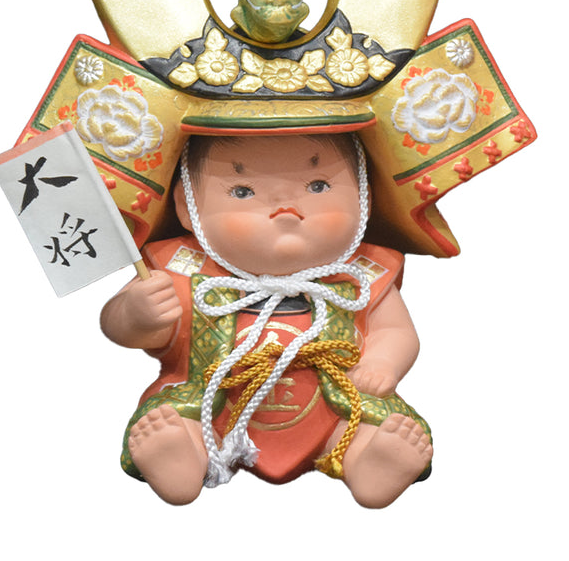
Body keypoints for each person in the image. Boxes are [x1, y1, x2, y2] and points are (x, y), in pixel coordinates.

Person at [100, 133, 433, 507]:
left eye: (318, 186)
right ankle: (184, 453)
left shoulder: (361, 275)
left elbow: (394, 331)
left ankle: (368, 459)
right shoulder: (183, 270)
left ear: (365, 200)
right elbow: (126, 329)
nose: (285, 209)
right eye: (243, 191)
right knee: (174, 415)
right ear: (186, 208)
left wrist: (381, 363)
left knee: (373, 418)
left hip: (339, 402)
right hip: (211, 404)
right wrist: (136, 315)